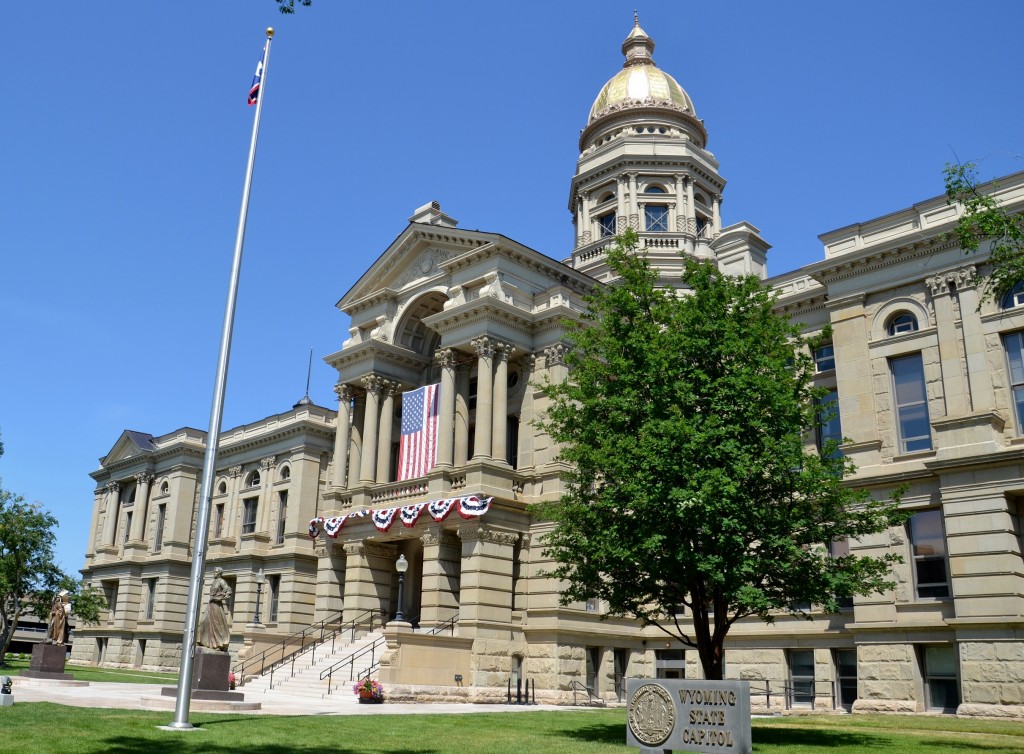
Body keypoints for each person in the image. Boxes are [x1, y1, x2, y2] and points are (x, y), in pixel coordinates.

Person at [196, 567, 233, 651]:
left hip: (216, 605)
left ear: (219, 573)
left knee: (217, 625)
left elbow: (228, 591)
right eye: (214, 572)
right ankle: (202, 641)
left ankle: (219, 644)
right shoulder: (215, 581)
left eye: (215, 572)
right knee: (204, 621)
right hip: (211, 604)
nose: (214, 573)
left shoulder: (221, 581)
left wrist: (220, 598)